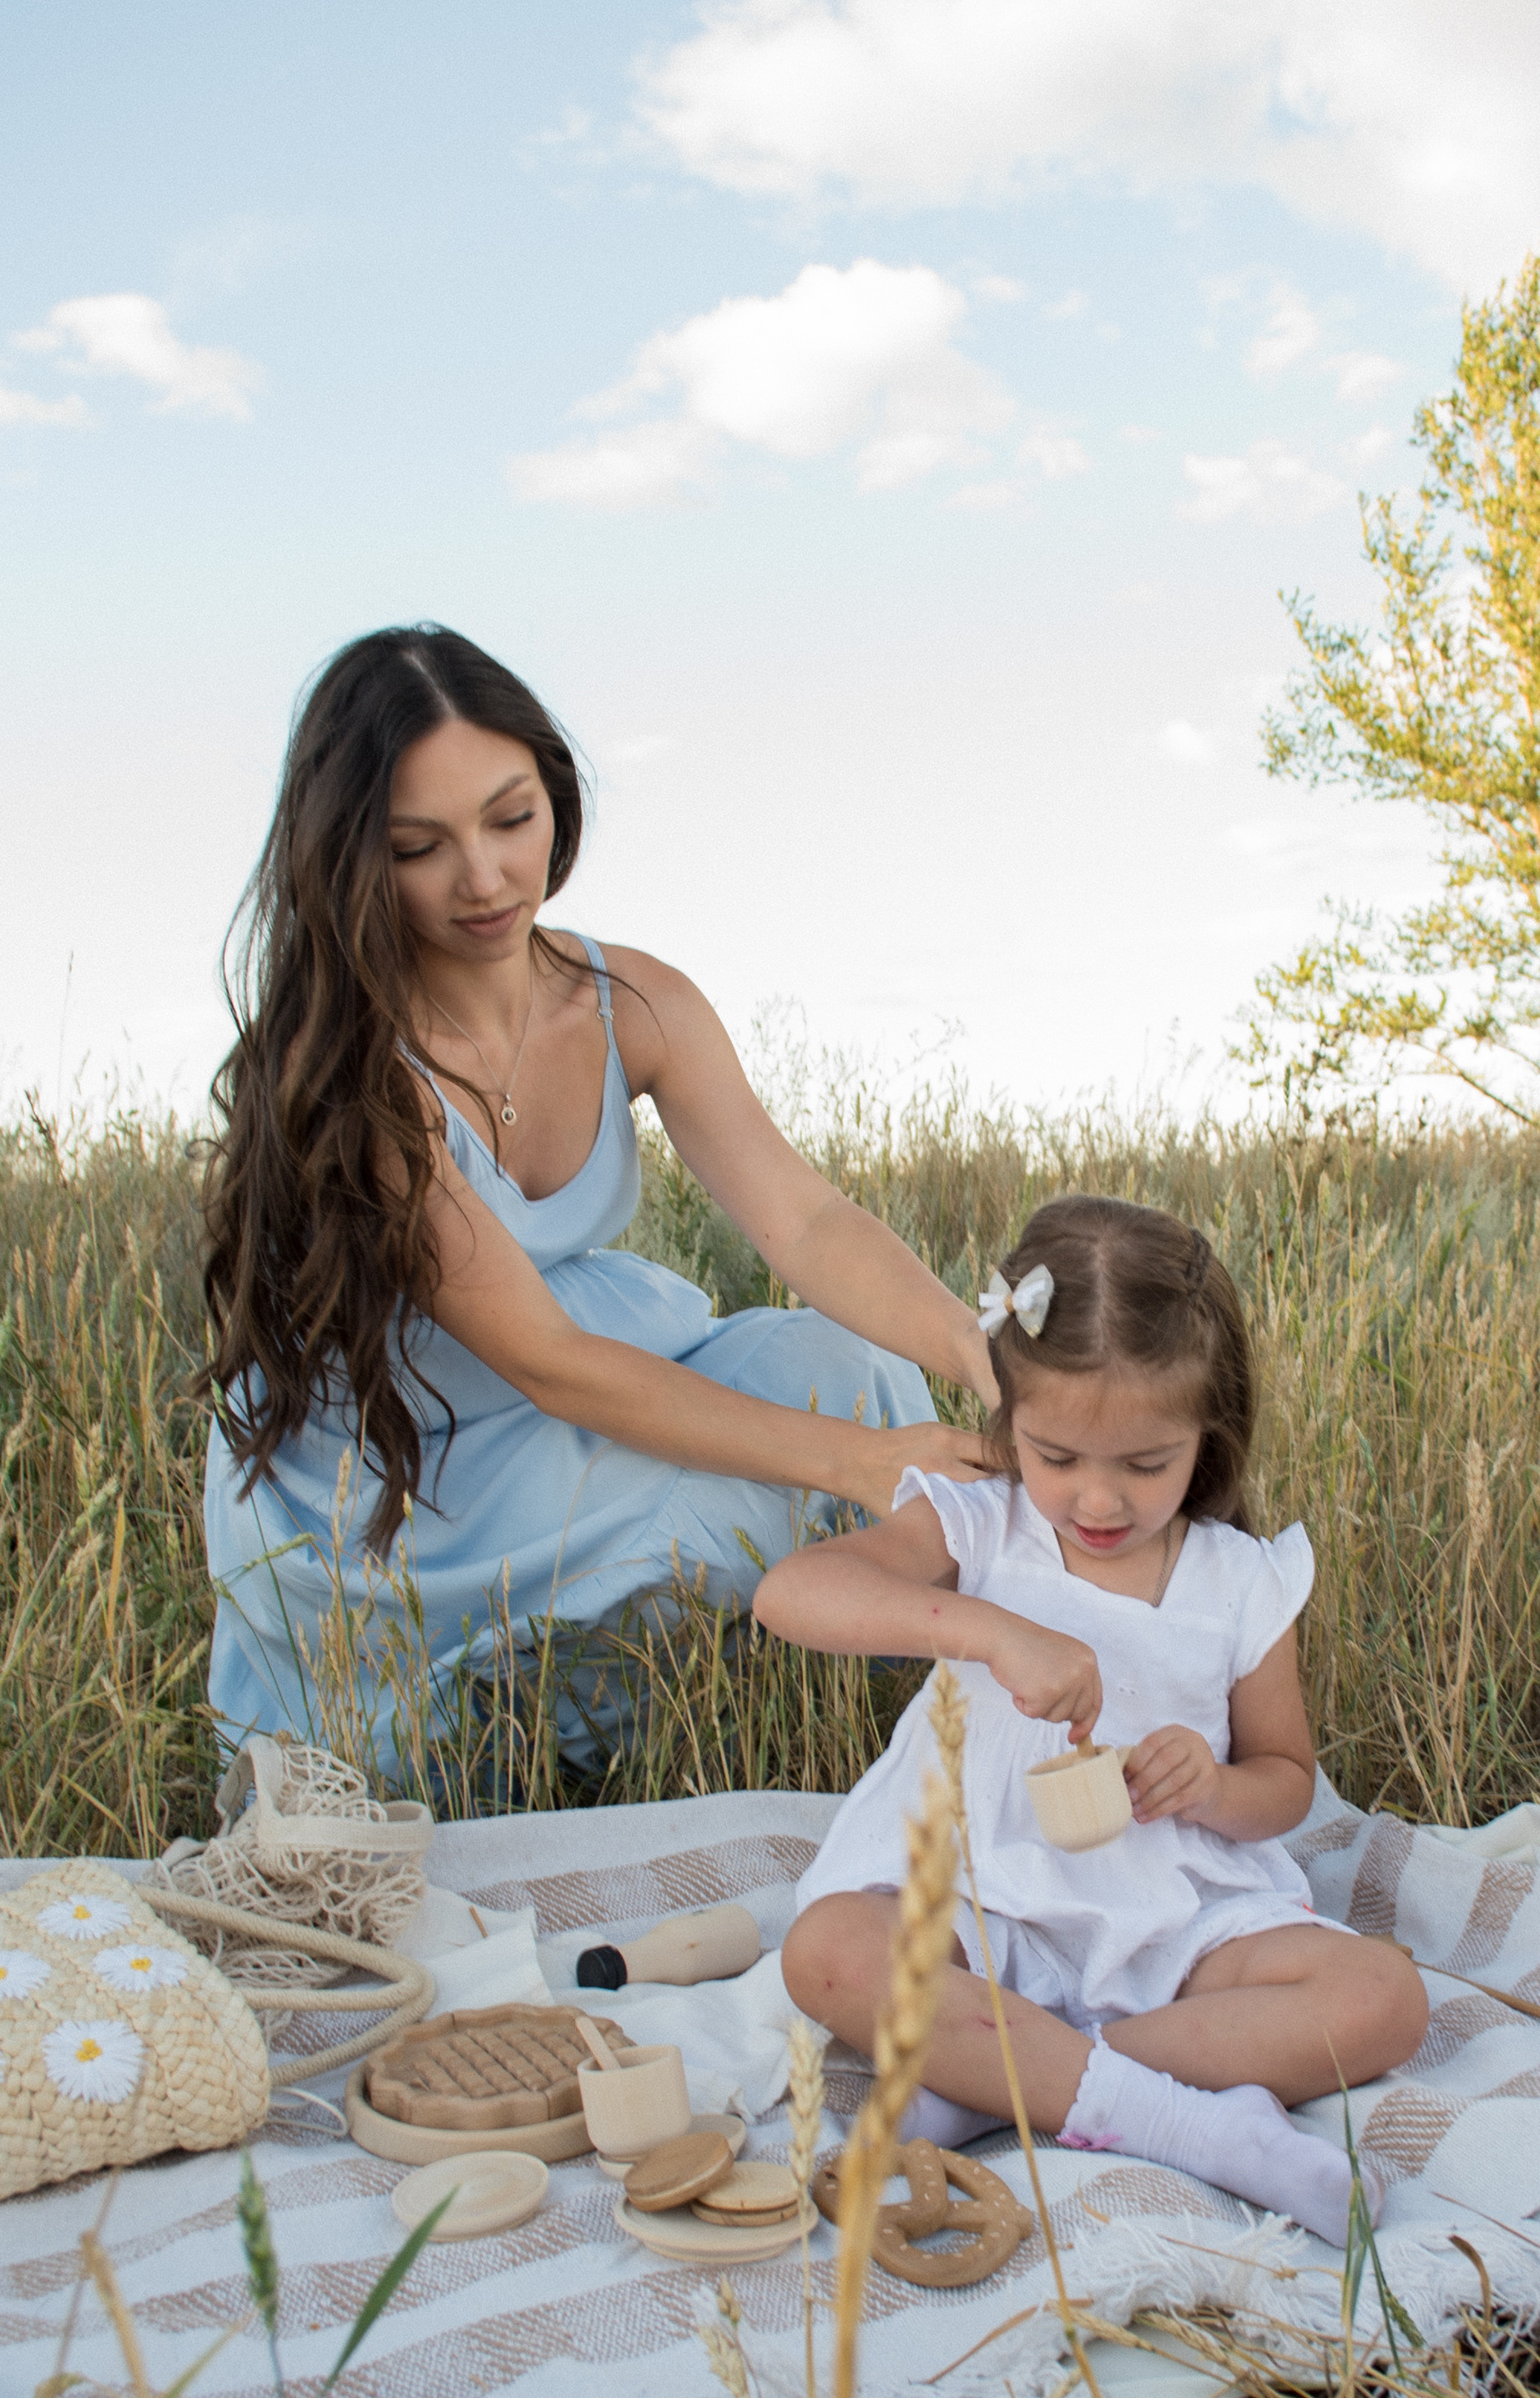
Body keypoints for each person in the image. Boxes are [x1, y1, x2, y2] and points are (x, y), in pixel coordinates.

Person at [201, 625, 997, 1773]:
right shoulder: (358, 1074)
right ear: (352, 857)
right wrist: (851, 1466)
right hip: (422, 1460)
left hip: (582, 1373)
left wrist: (981, 1356)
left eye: (511, 820)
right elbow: (552, 1364)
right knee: (753, 1482)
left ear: (556, 801)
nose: (484, 879)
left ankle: (935, 1724)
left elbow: (804, 1221)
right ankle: (554, 1725)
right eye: (420, 846)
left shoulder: (637, 999)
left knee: (864, 1374)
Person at [756, 1195, 1428, 2244]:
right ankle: (1193, 2127)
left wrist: (1212, 1788)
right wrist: (989, 1631)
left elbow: (1287, 1777)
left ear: (1208, 1437)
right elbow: (793, 1594)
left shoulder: (1241, 1581)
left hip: (1171, 1922)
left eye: (1145, 1465)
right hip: (985, 1904)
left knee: (1383, 1998)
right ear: (1009, 1419)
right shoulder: (982, 1525)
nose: (1098, 1502)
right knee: (830, 1949)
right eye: (1057, 1457)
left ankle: (998, 2080)